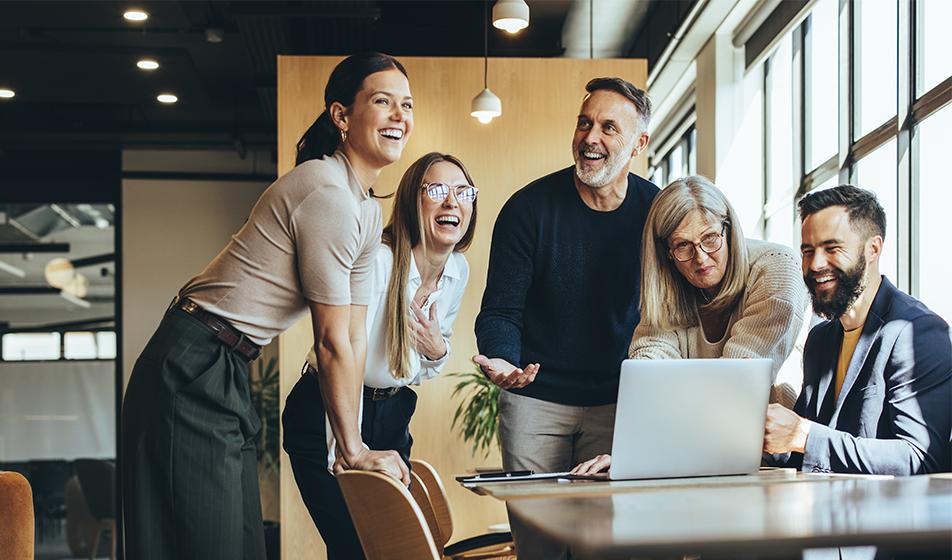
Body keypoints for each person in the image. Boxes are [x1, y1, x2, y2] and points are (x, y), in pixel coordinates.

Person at [121, 52, 413, 559]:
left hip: (229, 362)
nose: (399, 116)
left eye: (406, 105)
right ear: (341, 116)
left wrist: (353, 444)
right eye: (382, 101)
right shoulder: (326, 192)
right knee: (204, 545)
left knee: (242, 544)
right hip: (191, 362)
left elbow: (352, 336)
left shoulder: (366, 210)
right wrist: (353, 451)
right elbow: (327, 341)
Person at [474, 76, 658, 560]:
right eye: (584, 123)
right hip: (536, 402)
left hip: (620, 403)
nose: (590, 137)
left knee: (608, 545)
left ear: (639, 143)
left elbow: (676, 311)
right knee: (540, 547)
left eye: (608, 128)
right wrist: (502, 360)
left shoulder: (657, 212)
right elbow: (501, 311)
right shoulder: (527, 209)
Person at [282, 152, 477, 559]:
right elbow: (342, 353)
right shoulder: (381, 261)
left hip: (391, 412)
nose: (452, 202)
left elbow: (421, 370)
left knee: (392, 547)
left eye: (463, 192)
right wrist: (347, 451)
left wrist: (438, 350)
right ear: (412, 201)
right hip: (330, 405)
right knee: (357, 548)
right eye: (437, 190)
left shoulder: (457, 270)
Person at [571, 175, 809, 476]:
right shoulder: (669, 289)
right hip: (698, 451)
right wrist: (633, 455)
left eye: (710, 238)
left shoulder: (777, 269)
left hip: (776, 458)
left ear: (730, 229)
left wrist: (647, 453)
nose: (701, 258)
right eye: (683, 246)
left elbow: (734, 387)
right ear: (667, 254)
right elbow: (651, 378)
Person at [763, 185, 951, 475]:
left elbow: (919, 457)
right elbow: (802, 449)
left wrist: (804, 436)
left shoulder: (917, 332)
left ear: (873, 249)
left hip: (893, 518)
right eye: (808, 251)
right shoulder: (821, 338)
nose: (816, 264)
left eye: (832, 248)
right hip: (827, 510)